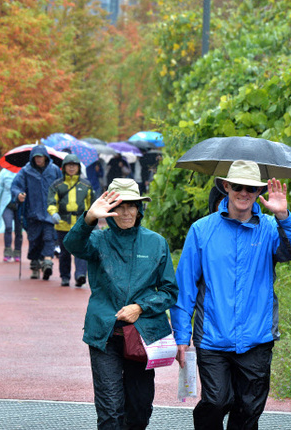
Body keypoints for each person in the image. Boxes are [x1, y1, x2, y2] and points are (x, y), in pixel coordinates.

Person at [170, 160, 291, 429]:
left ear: (259, 191)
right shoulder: (202, 230)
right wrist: (181, 334)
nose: (243, 193)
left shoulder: (270, 228)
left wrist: (283, 216)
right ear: (225, 186)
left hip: (256, 337)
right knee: (216, 400)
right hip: (213, 337)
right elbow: (185, 286)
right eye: (237, 186)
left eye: (251, 188)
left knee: (248, 409)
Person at [64, 178, 178, 430]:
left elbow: (170, 291)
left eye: (132, 206)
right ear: (110, 210)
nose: (126, 212)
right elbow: (72, 245)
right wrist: (89, 218)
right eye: (120, 206)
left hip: (143, 334)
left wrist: (140, 307)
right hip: (105, 335)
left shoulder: (156, 242)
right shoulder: (97, 241)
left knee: (139, 409)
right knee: (110, 411)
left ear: (140, 209)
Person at [11, 144, 62, 279]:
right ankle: (35, 264)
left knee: (49, 238)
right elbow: (15, 186)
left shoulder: (54, 170)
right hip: (32, 211)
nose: (38, 159)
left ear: (46, 157)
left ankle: (47, 262)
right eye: (36, 157)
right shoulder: (26, 171)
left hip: (50, 212)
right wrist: (18, 195)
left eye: (40, 157)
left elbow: (62, 187)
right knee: (34, 240)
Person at [47, 154, 94, 287]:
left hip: (80, 224)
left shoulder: (86, 185)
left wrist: (90, 221)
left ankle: (80, 275)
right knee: (65, 253)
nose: (72, 168)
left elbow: (92, 205)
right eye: (69, 165)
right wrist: (53, 213)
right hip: (62, 223)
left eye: (74, 165)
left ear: (79, 167)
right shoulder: (57, 185)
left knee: (80, 250)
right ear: (64, 167)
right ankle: (65, 277)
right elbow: (51, 201)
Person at [0, 168, 23, 262]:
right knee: (8, 227)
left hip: (20, 205)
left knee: (18, 229)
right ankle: (7, 251)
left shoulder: (24, 171)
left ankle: (17, 251)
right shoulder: (4, 173)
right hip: (7, 205)